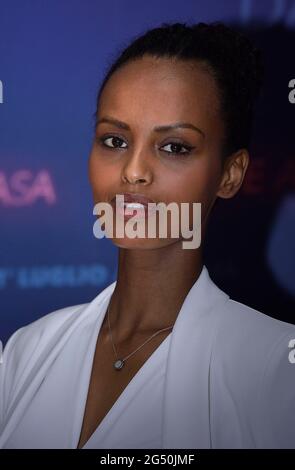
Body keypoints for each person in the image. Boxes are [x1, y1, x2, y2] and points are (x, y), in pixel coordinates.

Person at [1, 21, 295, 449]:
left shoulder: (275, 371)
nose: (133, 171)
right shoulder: (27, 353)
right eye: (115, 140)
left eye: (174, 146)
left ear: (230, 175)